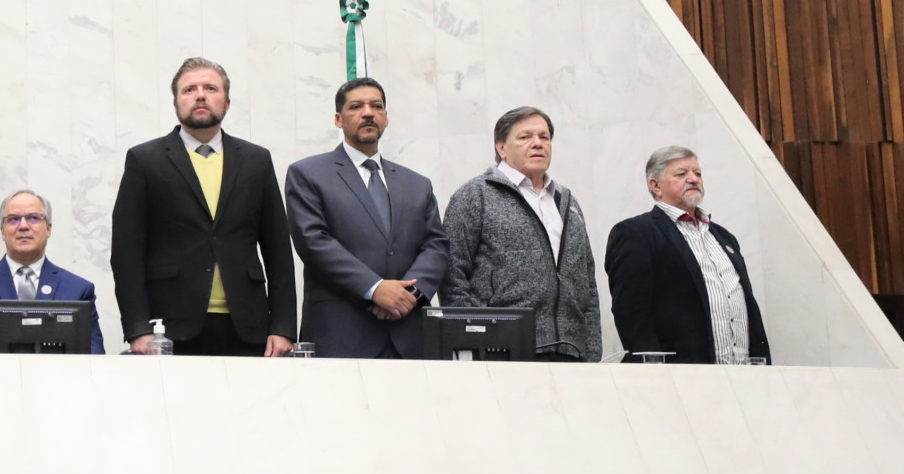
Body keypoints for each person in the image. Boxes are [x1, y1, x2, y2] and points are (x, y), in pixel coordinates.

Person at [110, 58, 297, 356]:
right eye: (189, 89)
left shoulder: (256, 160)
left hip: (248, 325)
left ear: (227, 102)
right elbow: (126, 253)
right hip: (168, 328)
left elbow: (278, 250)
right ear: (175, 102)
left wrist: (284, 326)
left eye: (210, 88)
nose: (200, 95)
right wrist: (137, 328)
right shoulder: (145, 160)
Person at [284, 78, 451, 359]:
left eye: (377, 106)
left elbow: (436, 245)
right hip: (341, 332)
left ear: (386, 119)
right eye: (356, 106)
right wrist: (375, 289)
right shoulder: (308, 174)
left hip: (409, 333)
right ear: (338, 119)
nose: (368, 113)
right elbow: (314, 242)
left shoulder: (417, 183)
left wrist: (408, 294)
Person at [441, 105, 602, 361]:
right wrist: (473, 340)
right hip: (502, 351)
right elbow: (451, 274)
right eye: (525, 137)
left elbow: (588, 284)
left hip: (571, 352)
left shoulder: (567, 202)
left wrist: (591, 352)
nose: (538, 144)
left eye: (544, 137)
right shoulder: (475, 195)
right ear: (501, 148)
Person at [605, 145, 771, 364]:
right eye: (682, 174)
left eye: (698, 173)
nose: (693, 179)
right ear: (655, 186)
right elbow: (632, 314)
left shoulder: (725, 238)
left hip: (743, 375)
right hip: (683, 379)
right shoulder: (636, 233)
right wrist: (652, 373)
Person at [0, 189, 102, 353]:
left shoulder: (78, 290)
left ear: (48, 229)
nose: (24, 226)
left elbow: (94, 354)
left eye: (33, 218)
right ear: (2, 231)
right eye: (13, 220)